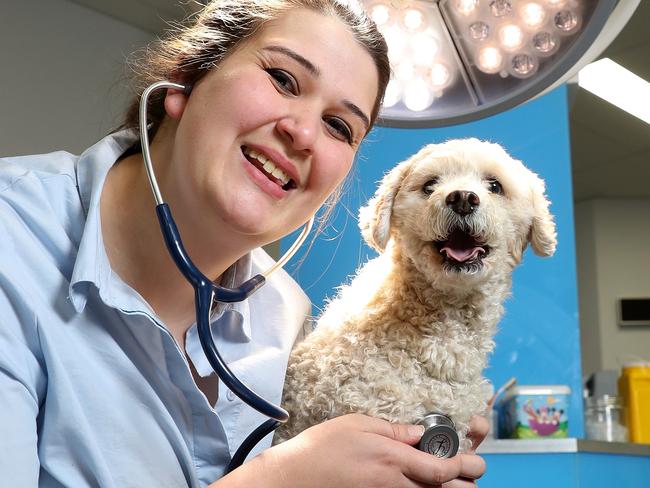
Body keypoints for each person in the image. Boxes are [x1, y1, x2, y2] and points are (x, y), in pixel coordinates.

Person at [0, 0, 488, 486]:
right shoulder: (12, 234)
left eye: (339, 126)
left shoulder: (285, 317)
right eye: (283, 79)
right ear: (187, 78)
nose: (302, 134)